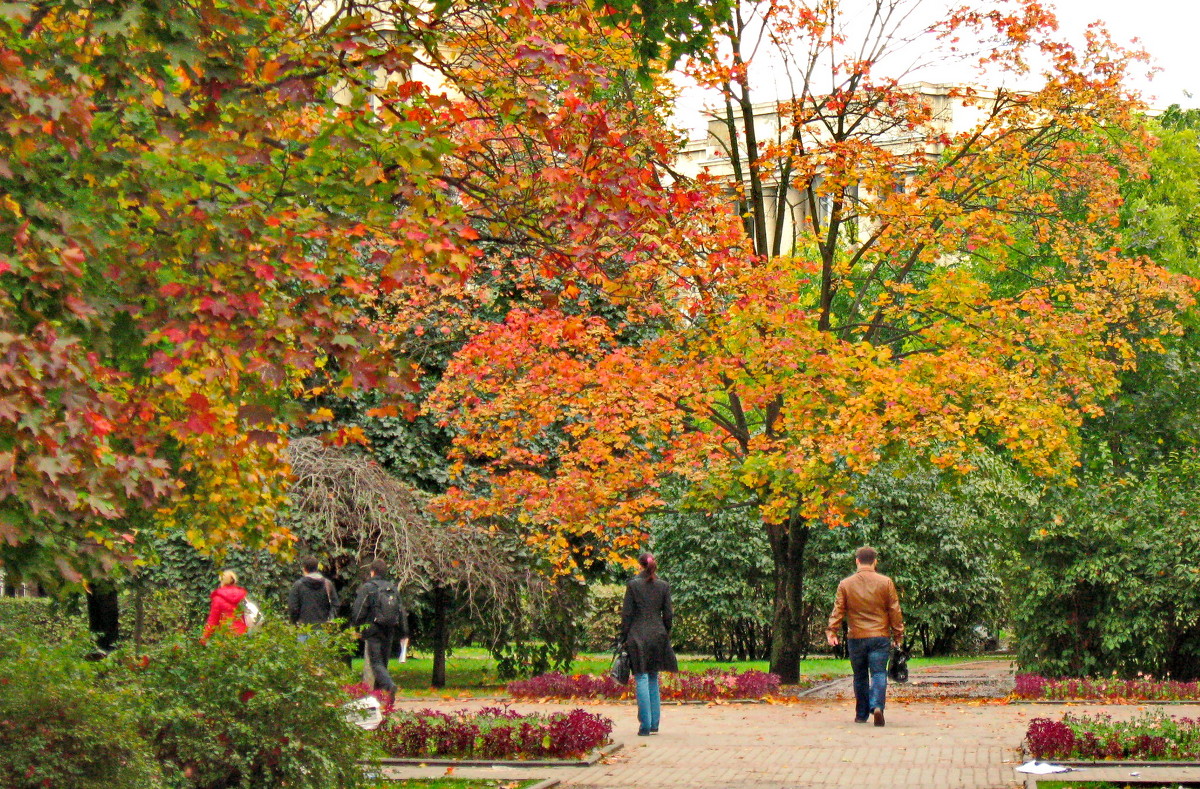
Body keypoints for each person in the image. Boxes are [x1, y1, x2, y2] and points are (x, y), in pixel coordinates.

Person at [826, 546, 904, 727]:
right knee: (878, 673)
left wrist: (832, 631)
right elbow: (894, 610)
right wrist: (898, 634)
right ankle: (877, 706)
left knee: (859, 675)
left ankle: (861, 714)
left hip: (856, 636)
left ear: (857, 561)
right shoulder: (885, 582)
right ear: (875, 561)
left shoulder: (846, 584)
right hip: (879, 636)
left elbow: (838, 610)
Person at [621, 552, 678, 737]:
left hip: (637, 636)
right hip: (658, 635)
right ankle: (654, 723)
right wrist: (665, 632)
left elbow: (627, 614)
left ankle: (644, 725)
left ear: (640, 565)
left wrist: (623, 637)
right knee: (653, 677)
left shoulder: (633, 585)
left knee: (641, 677)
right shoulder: (664, 586)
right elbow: (668, 615)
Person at [351, 559, 405, 700]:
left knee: (376, 662)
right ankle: (379, 696)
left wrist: (356, 626)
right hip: (389, 629)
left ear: (372, 572)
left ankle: (389, 686)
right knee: (383, 662)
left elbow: (359, 610)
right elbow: (401, 611)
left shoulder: (368, 587)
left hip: (373, 629)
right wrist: (404, 632)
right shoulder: (392, 588)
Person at [287, 556, 340, 640]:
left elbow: (293, 607)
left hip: (304, 628)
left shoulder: (298, 585)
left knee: (304, 653)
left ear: (304, 568)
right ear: (317, 567)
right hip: (323, 628)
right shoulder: (327, 584)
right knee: (321, 653)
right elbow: (336, 605)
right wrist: (330, 619)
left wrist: (294, 622)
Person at [202, 569, 249, 643]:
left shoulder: (218, 598)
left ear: (222, 581)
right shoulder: (242, 596)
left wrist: (204, 638)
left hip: (226, 635)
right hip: (242, 634)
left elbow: (213, 621)